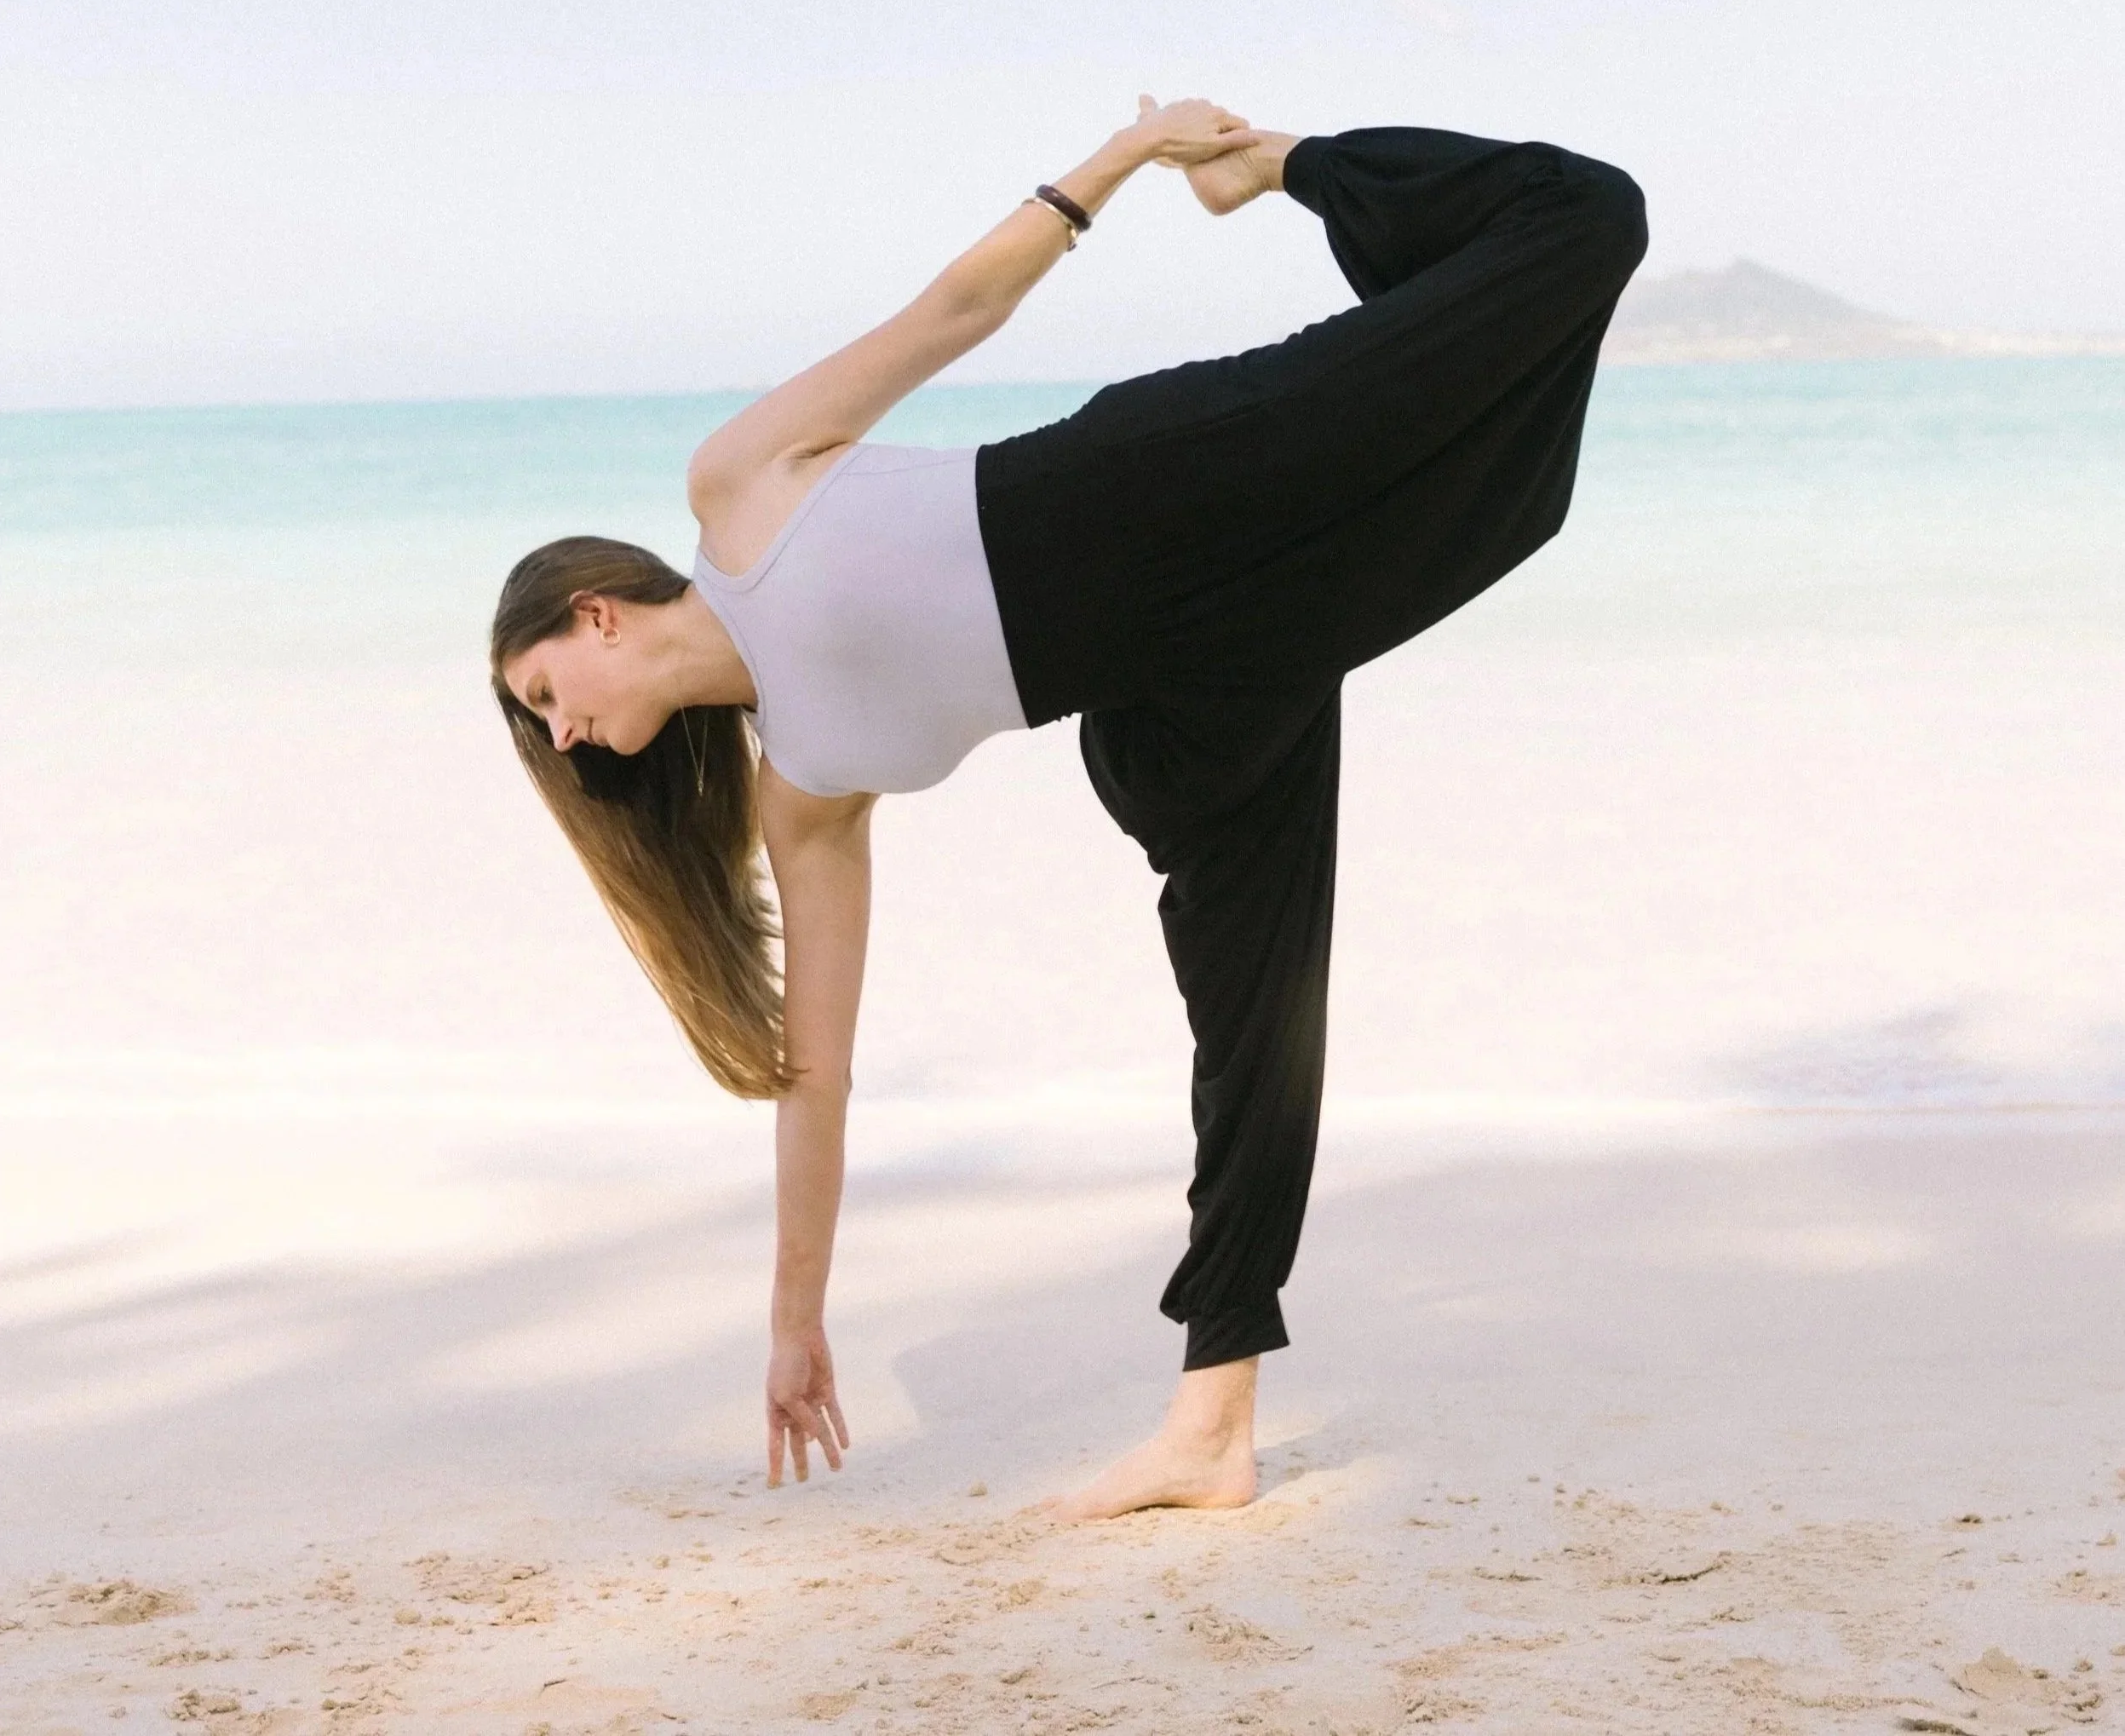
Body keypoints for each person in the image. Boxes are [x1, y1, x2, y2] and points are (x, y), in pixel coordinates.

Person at [491, 97, 1647, 1520]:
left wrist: (1116, 162)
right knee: (1257, 1028)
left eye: (545, 692)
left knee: (1583, 219)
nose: (565, 734)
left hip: (1179, 481)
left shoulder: (735, 491)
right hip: (1183, 696)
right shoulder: (803, 788)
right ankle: (1211, 1428)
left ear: (591, 613)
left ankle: (1277, 167)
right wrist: (794, 1318)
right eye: (544, 729)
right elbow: (819, 1077)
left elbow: (950, 313)